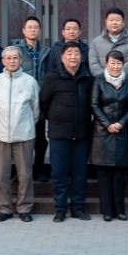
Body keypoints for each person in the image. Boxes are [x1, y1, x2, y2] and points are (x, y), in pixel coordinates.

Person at [41, 43, 94, 222]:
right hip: (59, 135)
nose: (73, 57)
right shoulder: (52, 77)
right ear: (62, 57)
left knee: (80, 174)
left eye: (76, 53)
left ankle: (78, 208)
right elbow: (43, 103)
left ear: (81, 56)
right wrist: (55, 117)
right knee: (59, 174)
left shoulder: (88, 77)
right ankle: (60, 209)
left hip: (82, 134)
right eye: (69, 53)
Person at [0, 46, 40, 222]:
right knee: (2, 175)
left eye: (15, 58)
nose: (12, 61)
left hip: (24, 135)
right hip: (1, 134)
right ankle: (4, 209)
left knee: (25, 174)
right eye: (8, 58)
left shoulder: (30, 81)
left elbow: (35, 110)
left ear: (21, 60)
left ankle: (24, 208)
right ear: (3, 61)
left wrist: (26, 125)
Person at [91, 49, 128, 222]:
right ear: (106, 64)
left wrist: (121, 123)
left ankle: (120, 210)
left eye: (119, 63)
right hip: (102, 134)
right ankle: (107, 211)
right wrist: (107, 124)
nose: (115, 66)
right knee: (104, 176)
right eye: (112, 63)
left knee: (119, 175)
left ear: (123, 65)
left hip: (121, 132)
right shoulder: (99, 80)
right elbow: (94, 105)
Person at [11, 15, 50, 181]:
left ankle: (39, 169)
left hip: (40, 100)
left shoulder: (46, 51)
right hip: (22, 101)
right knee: (20, 138)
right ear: (24, 30)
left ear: (39, 31)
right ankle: (19, 171)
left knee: (40, 138)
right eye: (30, 27)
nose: (33, 30)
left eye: (35, 27)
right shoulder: (17, 51)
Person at [88, 6, 128, 77]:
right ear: (106, 22)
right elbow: (93, 64)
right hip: (101, 82)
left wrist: (119, 77)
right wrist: (104, 78)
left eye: (118, 20)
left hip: (124, 81)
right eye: (111, 20)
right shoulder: (95, 42)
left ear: (123, 22)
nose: (114, 23)